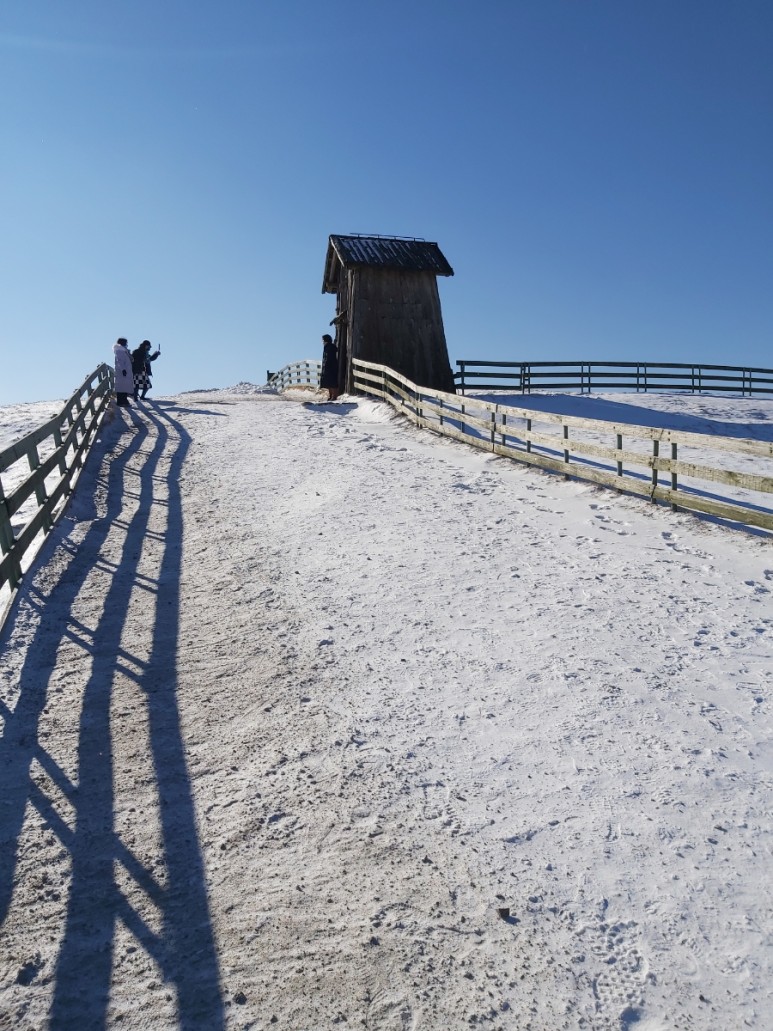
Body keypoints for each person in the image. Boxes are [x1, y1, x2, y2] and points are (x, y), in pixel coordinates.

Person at [113, 337, 133, 407]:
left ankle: (124, 400)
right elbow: (120, 361)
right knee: (121, 387)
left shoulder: (123, 350)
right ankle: (121, 401)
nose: (126, 344)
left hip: (125, 371)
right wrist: (123, 369)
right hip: (122, 371)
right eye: (125, 342)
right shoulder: (120, 350)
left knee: (124, 386)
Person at [319, 333, 339, 401]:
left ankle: (334, 396)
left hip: (331, 366)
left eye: (323, 340)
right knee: (328, 382)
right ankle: (330, 396)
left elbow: (330, 358)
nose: (322, 342)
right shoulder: (327, 347)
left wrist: (327, 365)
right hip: (327, 367)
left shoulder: (330, 347)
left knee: (332, 382)